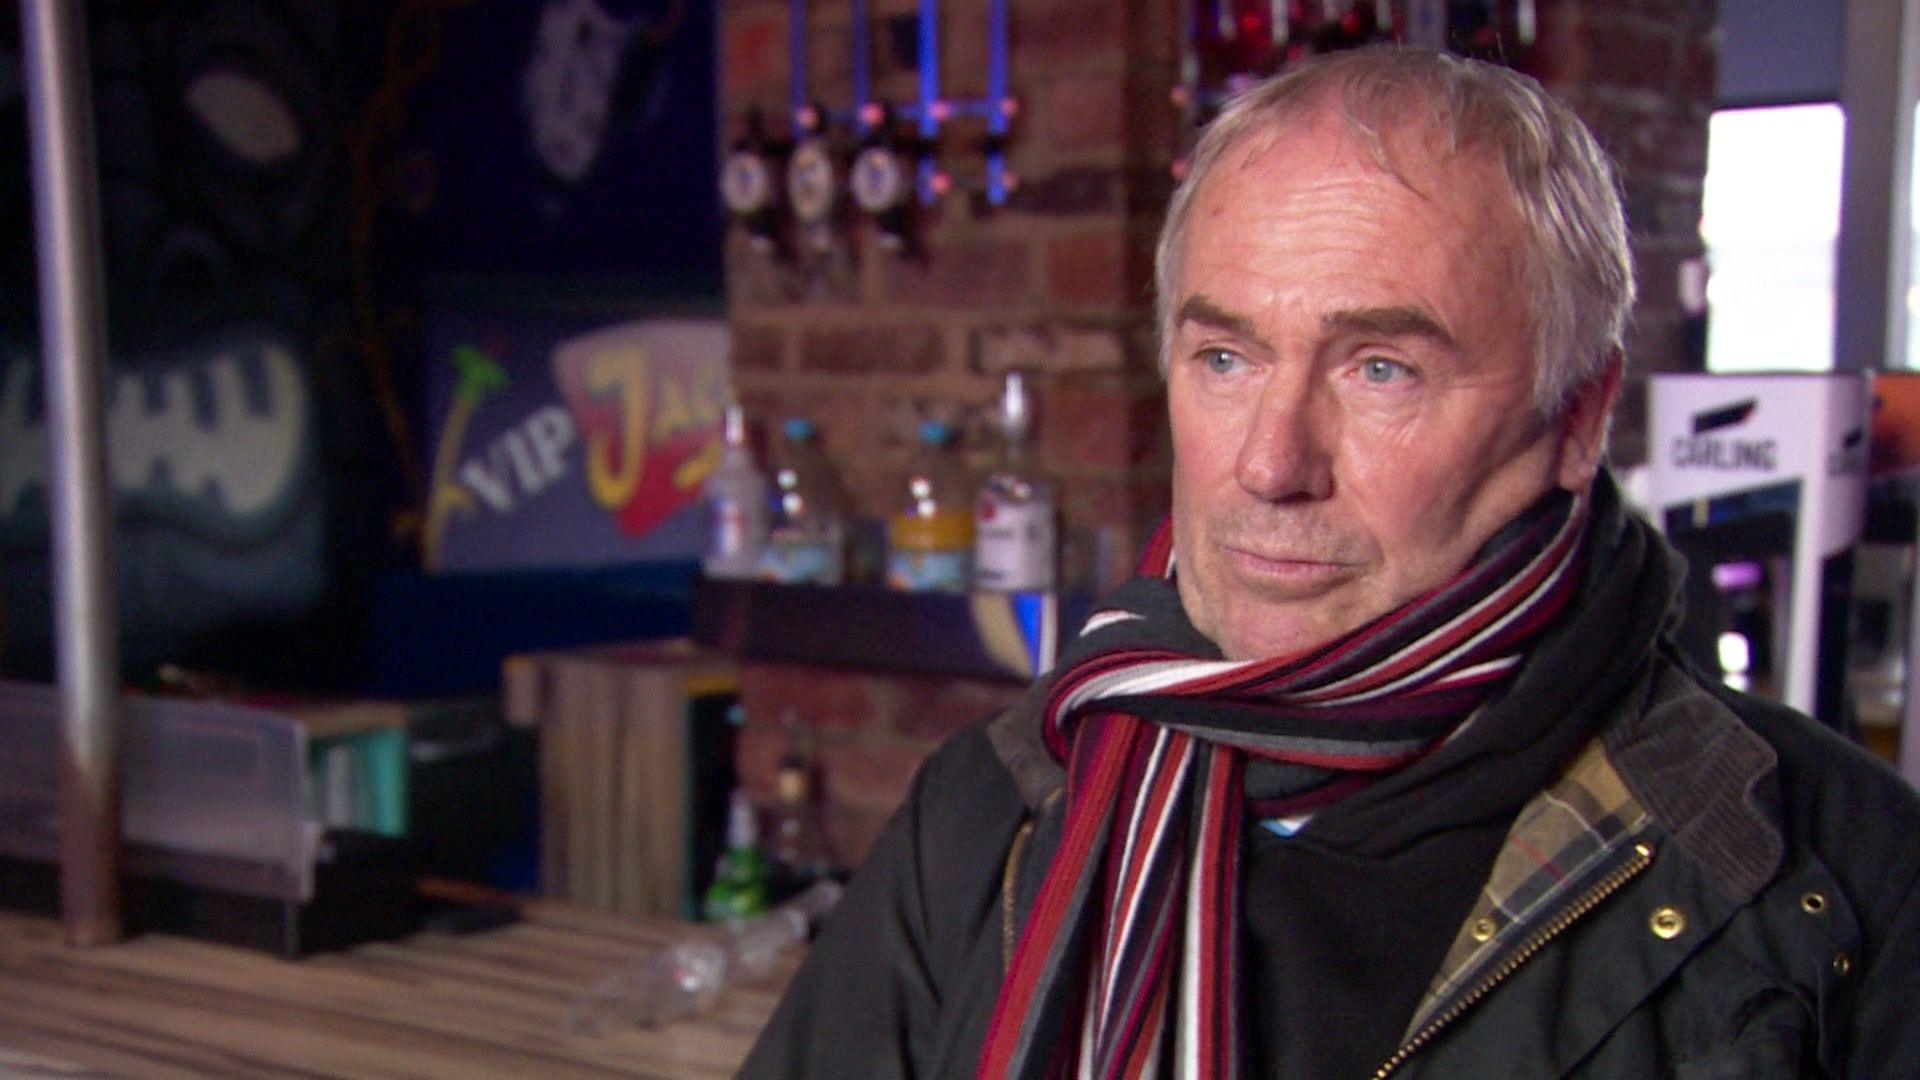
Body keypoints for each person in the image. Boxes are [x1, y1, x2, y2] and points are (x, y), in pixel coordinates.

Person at [740, 46, 1920, 1079]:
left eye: (1379, 369)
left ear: (1576, 417)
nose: (1268, 464)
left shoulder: (1833, 873)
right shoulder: (996, 807)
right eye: (1224, 358)